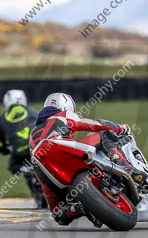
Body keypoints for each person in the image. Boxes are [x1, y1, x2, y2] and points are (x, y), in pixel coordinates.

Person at [29, 92, 133, 226]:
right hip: (58, 147)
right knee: (103, 132)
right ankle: (122, 163)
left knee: (58, 213)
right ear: (67, 106)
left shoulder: (34, 131)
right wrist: (121, 128)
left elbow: (35, 158)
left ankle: (77, 208)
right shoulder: (62, 115)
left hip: (43, 169)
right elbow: (94, 124)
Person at [0, 89, 46, 208]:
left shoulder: (1, 118)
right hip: (37, 146)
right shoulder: (33, 111)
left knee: (12, 166)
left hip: (19, 153)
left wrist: (4, 149)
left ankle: (26, 170)